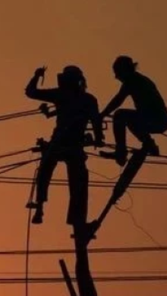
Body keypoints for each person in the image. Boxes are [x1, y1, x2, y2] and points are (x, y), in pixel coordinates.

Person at [24, 65, 104, 225]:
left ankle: (41, 208)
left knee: (47, 170)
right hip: (71, 143)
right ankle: (47, 210)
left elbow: (31, 92)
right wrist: (98, 138)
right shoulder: (87, 99)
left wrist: (36, 76)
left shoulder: (63, 95)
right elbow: (96, 121)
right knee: (74, 180)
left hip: (64, 142)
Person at [99, 56, 167, 166]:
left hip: (155, 119)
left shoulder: (132, 80)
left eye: (117, 73)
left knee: (120, 115)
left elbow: (118, 100)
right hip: (157, 119)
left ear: (124, 70)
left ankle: (121, 152)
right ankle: (148, 144)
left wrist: (102, 115)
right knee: (130, 120)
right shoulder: (138, 79)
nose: (117, 77)